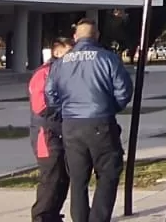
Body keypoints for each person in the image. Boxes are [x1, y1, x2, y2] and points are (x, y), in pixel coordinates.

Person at [44, 20, 133, 222]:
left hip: (71, 125)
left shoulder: (60, 64)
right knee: (108, 174)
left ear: (75, 37)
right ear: (97, 35)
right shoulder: (108, 59)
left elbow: (50, 95)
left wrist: (65, 111)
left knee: (78, 178)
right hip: (100, 122)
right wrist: (110, 108)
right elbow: (124, 90)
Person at [29, 37, 72, 222]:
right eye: (68, 52)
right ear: (57, 52)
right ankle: (41, 216)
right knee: (51, 177)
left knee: (63, 177)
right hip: (46, 133)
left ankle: (53, 214)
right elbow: (41, 106)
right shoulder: (44, 73)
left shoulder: (66, 72)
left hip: (61, 131)